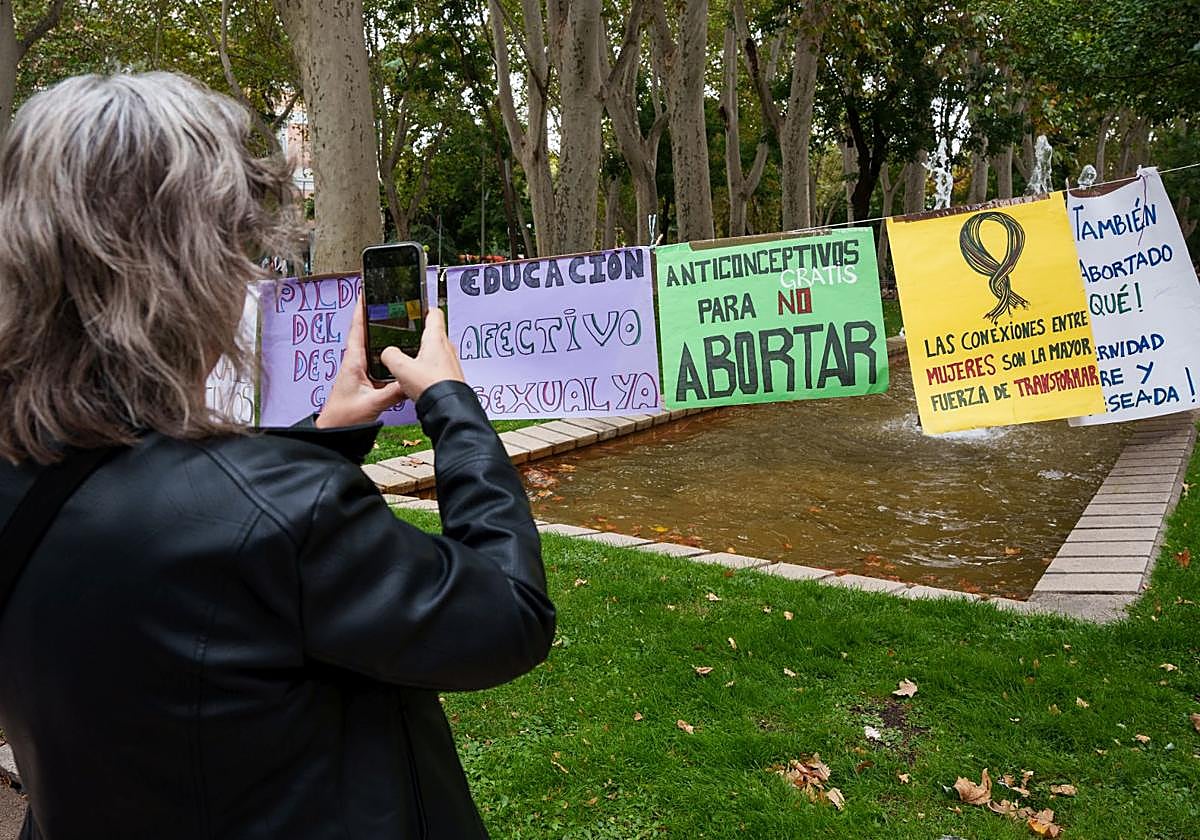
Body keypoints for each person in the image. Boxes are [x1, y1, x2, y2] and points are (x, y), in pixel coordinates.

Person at [0, 72, 554, 839]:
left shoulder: (23, 472)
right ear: (192, 268)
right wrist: (452, 408)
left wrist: (329, 434)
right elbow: (508, 616)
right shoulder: (280, 516)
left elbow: (193, 525)